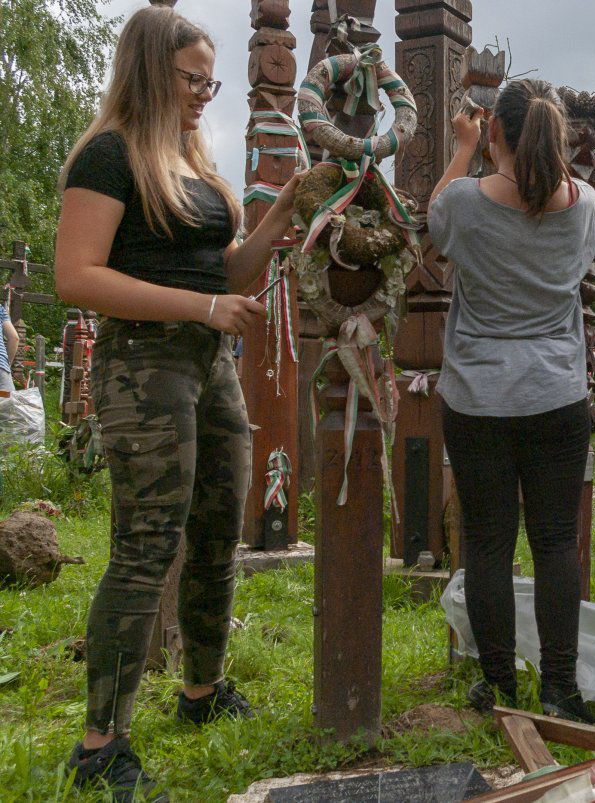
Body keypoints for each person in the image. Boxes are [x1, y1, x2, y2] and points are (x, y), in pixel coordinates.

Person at [53, 7, 305, 800]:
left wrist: (288, 208)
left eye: (211, 80)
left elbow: (227, 273)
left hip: (208, 364)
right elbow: (77, 276)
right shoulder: (108, 156)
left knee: (215, 530)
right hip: (143, 366)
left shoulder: (190, 160)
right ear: (151, 71)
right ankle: (101, 742)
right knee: (146, 543)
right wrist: (201, 312)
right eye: (193, 79)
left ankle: (200, 691)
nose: (205, 94)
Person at [428, 79, 595, 724]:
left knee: (488, 543)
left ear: (494, 130)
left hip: (478, 395)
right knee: (556, 543)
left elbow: (434, 217)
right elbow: (588, 256)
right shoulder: (583, 203)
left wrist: (463, 150)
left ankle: (500, 684)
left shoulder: (469, 203)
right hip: (557, 391)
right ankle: (561, 687)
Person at [0, 303, 18, 393]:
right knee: (7, 405)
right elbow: (14, 338)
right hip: (1, 368)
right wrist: (6, 365)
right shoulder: (0, 309)